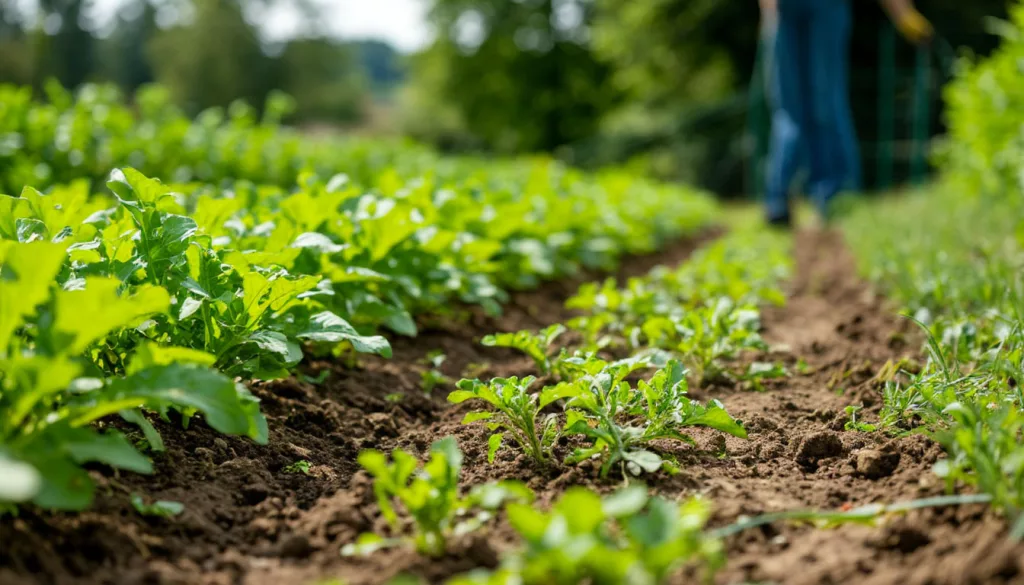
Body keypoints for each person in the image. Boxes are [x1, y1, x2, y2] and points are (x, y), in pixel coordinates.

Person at [759, 0, 933, 227]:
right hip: (785, 8)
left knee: (823, 104)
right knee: (792, 109)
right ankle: (780, 201)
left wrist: (903, 14)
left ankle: (835, 197)